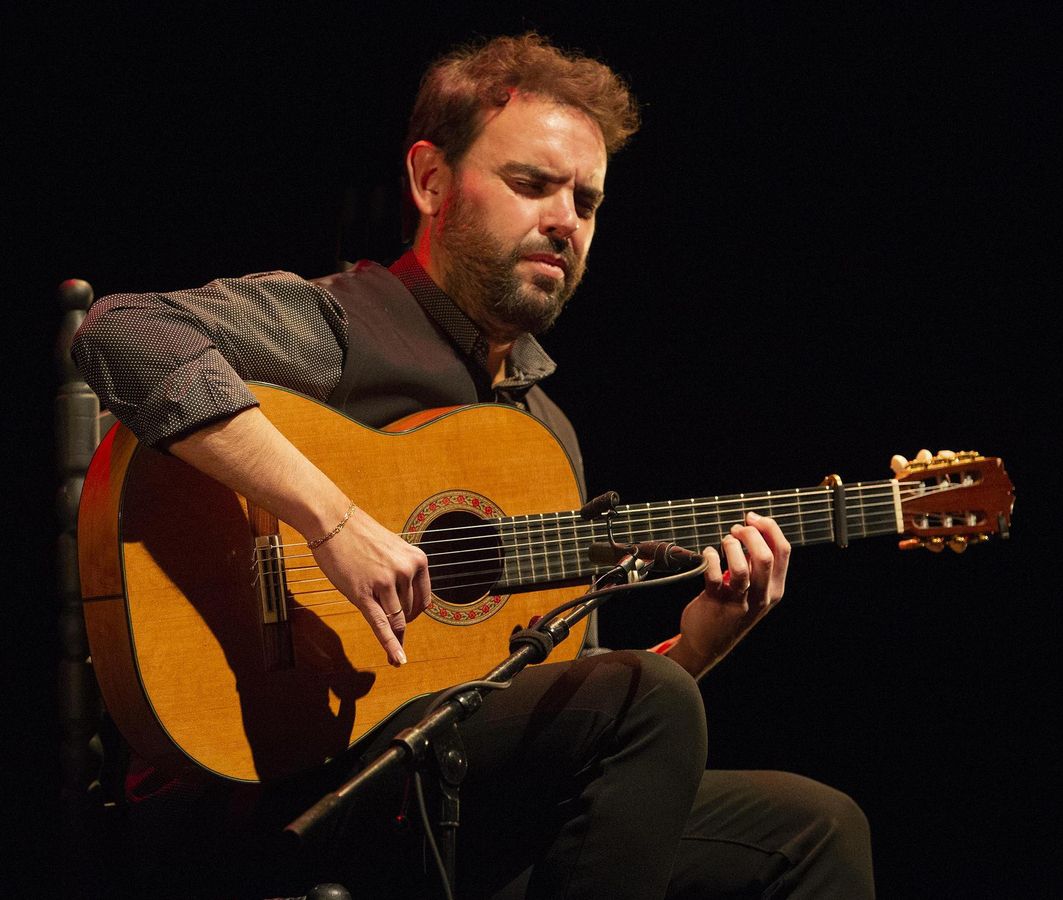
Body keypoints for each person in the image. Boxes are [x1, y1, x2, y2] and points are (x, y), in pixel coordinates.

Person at [73, 33, 874, 899]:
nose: (565, 219)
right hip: (289, 781)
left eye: (588, 201)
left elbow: (571, 703)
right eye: (532, 184)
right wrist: (331, 519)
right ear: (431, 182)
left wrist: (699, 645)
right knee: (646, 698)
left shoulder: (544, 433)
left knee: (814, 829)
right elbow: (121, 334)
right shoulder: (337, 325)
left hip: (454, 789)